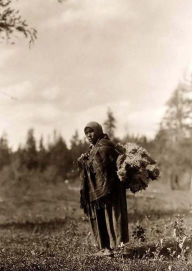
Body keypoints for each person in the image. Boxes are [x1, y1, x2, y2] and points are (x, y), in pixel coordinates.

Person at [78, 121, 128, 256]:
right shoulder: (93, 148)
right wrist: (84, 161)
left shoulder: (105, 145)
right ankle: (105, 248)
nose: (89, 135)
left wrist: (86, 161)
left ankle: (116, 248)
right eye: (86, 133)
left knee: (111, 216)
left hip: (109, 190)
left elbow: (102, 165)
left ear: (99, 131)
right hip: (99, 191)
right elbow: (92, 164)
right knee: (101, 217)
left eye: (91, 131)